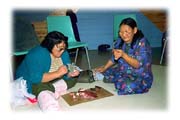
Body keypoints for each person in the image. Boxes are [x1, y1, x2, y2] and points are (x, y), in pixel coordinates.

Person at [15, 31, 80, 111]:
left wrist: (70, 74)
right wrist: (58, 73)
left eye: (64, 48)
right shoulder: (36, 54)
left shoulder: (63, 52)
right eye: (60, 48)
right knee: (40, 87)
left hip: (51, 80)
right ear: (49, 46)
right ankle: (50, 105)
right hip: (31, 82)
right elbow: (36, 79)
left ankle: (50, 90)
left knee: (74, 78)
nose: (63, 51)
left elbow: (67, 71)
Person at [96, 17, 153, 95]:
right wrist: (105, 68)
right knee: (102, 71)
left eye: (127, 32)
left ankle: (119, 80)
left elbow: (137, 65)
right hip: (123, 70)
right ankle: (118, 79)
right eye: (121, 32)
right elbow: (114, 57)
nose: (124, 35)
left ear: (135, 30)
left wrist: (123, 55)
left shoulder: (142, 43)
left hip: (139, 75)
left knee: (127, 86)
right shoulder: (120, 41)